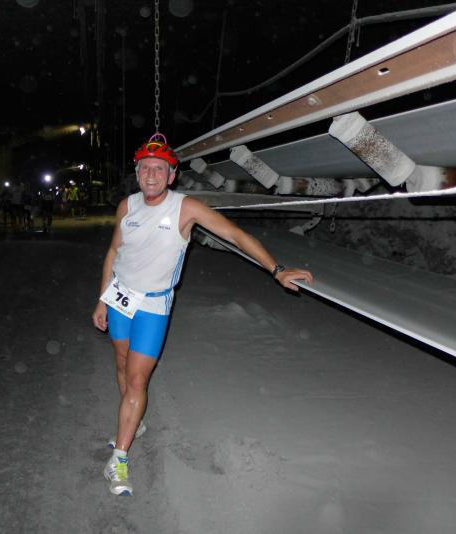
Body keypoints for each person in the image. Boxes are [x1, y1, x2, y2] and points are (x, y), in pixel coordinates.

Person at [91, 135, 313, 496]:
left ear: (171, 175)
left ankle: (118, 458)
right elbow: (114, 252)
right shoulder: (126, 206)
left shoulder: (186, 208)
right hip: (119, 299)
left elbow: (236, 235)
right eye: (145, 168)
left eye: (159, 169)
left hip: (152, 306)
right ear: (137, 173)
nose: (151, 174)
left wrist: (277, 269)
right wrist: (103, 300)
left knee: (136, 380)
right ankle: (136, 423)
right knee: (121, 364)